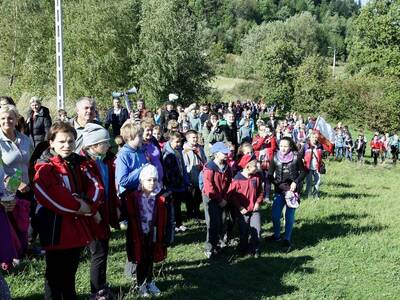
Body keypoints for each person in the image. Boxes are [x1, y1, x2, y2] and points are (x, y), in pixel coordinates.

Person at [33, 122, 103, 299]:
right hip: (55, 229)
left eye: (71, 141)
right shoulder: (44, 165)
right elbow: (52, 196)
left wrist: (88, 205)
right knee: (54, 277)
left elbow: (95, 185)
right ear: (52, 143)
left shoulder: (80, 163)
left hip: (76, 229)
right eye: (62, 141)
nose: (67, 146)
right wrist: (82, 208)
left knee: (70, 274)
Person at [81, 123, 121, 300]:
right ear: (93, 146)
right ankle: (96, 291)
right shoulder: (84, 164)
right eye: (105, 142)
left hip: (105, 211)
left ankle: (101, 285)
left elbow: (111, 187)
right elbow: (84, 192)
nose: (109, 145)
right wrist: (93, 210)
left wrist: (116, 207)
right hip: (93, 215)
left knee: (103, 250)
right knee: (98, 252)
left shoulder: (105, 160)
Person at [125, 165, 171, 297]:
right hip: (138, 234)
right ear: (141, 181)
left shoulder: (160, 197)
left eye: (155, 180)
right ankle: (140, 284)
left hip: (154, 232)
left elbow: (166, 217)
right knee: (140, 259)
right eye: (148, 180)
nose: (152, 183)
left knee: (151, 257)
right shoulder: (134, 197)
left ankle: (150, 281)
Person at [0, 105, 33, 255]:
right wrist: (16, 183)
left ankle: (24, 249)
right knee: (10, 223)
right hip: (7, 190)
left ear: (16, 119)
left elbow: (31, 162)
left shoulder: (25, 139)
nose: (7, 121)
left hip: (27, 186)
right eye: (3, 118)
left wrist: (29, 181)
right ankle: (12, 254)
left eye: (10, 118)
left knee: (23, 220)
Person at [267, 137, 306, 252]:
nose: (283, 148)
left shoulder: (296, 157)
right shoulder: (275, 157)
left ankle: (287, 239)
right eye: (281, 146)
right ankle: (277, 236)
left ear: (290, 147)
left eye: (286, 146)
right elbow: (269, 174)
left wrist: (296, 182)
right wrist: (277, 184)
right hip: (280, 190)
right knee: (275, 215)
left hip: (293, 191)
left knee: (289, 215)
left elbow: (303, 172)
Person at [228, 154, 263, 257]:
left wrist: (258, 202)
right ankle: (243, 248)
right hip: (243, 211)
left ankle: (255, 249)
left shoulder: (256, 178)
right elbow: (232, 195)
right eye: (255, 166)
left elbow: (260, 192)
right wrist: (239, 207)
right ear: (247, 167)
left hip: (254, 209)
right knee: (243, 231)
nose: (257, 168)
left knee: (257, 229)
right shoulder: (237, 179)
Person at [202, 142, 232, 258]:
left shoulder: (227, 167)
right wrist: (220, 200)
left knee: (222, 221)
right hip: (210, 198)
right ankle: (209, 247)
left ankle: (218, 244)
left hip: (222, 197)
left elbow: (229, 183)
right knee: (213, 223)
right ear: (216, 154)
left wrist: (225, 197)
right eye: (223, 152)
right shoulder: (210, 168)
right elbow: (209, 188)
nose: (226, 154)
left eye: (226, 152)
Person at [163, 131, 190, 232]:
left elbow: (182, 166)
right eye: (177, 142)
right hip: (172, 185)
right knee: (172, 206)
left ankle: (179, 223)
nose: (179, 144)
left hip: (180, 183)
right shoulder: (167, 154)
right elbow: (167, 172)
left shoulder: (179, 151)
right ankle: (173, 224)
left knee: (178, 205)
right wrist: (171, 183)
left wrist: (185, 180)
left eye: (180, 142)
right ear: (171, 141)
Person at [182, 130, 207, 220]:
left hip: (200, 175)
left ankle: (197, 212)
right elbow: (186, 165)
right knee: (190, 196)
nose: (195, 139)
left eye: (196, 137)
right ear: (187, 138)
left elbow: (204, 159)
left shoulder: (200, 148)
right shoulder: (185, 150)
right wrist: (188, 179)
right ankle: (190, 213)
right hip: (191, 176)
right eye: (193, 138)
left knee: (197, 196)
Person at [303, 133, 324, 199]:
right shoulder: (306, 146)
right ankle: (309, 195)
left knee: (317, 182)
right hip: (308, 167)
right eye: (313, 137)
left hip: (317, 167)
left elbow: (322, 155)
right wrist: (303, 160)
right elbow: (300, 155)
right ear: (310, 138)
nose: (315, 139)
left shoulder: (319, 146)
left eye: (316, 137)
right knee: (309, 182)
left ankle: (316, 195)